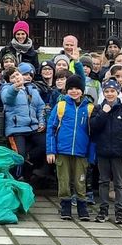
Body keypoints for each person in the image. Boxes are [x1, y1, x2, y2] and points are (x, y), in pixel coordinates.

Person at [89, 79, 122, 225]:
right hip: (103, 151)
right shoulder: (98, 109)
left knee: (119, 183)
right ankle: (103, 210)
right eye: (107, 91)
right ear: (103, 92)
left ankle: (119, 211)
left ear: (117, 92)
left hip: (118, 153)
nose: (110, 94)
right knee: (103, 181)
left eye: (112, 91)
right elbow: (93, 127)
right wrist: (103, 113)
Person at [47, 75, 92, 221]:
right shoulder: (61, 106)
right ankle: (65, 206)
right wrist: (51, 150)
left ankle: (82, 207)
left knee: (80, 180)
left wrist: (91, 154)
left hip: (81, 151)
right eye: (70, 88)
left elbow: (94, 134)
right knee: (64, 180)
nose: (74, 91)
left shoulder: (89, 108)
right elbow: (51, 129)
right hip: (62, 150)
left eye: (77, 88)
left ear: (82, 90)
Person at [2, 63, 46, 181]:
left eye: (17, 75)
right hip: (16, 128)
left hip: (33, 127)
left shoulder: (32, 89)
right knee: (18, 155)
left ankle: (29, 160)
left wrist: (41, 122)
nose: (17, 78)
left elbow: (40, 107)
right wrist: (15, 87)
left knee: (47, 145)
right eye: (13, 77)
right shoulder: (7, 88)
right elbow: (7, 98)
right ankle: (16, 178)